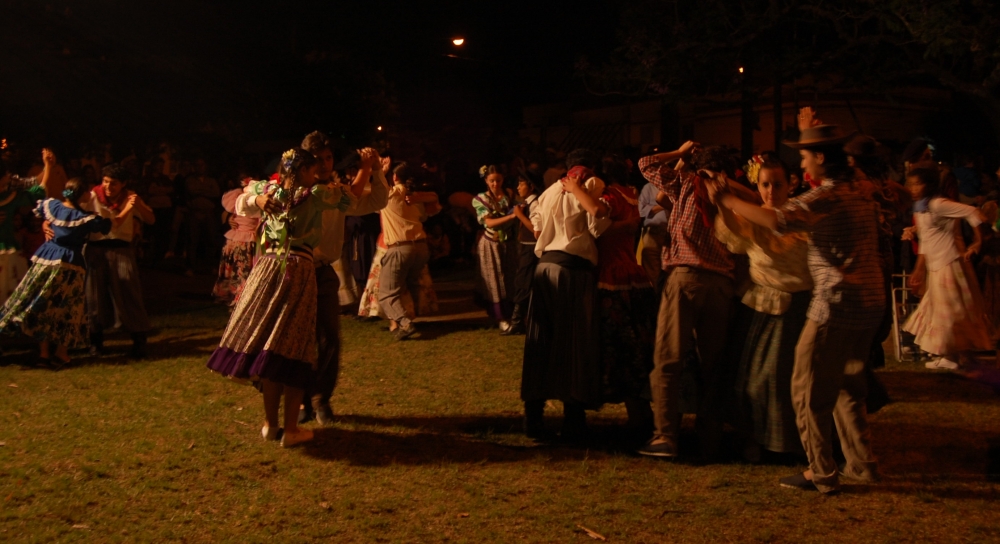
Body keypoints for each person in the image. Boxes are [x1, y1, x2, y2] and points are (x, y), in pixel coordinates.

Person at [707, 110, 885, 494]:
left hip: (834, 304)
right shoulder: (858, 185)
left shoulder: (827, 195)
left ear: (821, 159)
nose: (801, 166)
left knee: (806, 389)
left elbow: (776, 221)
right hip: (870, 302)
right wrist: (811, 128)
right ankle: (861, 463)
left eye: (805, 157)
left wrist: (726, 198)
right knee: (848, 387)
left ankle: (820, 471)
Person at [234, 132, 389, 425]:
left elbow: (375, 200)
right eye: (317, 160)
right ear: (304, 163)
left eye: (328, 158)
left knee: (328, 337)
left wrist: (375, 168)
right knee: (290, 340)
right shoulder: (281, 187)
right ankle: (299, 402)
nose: (324, 165)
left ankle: (320, 399)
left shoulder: (333, 192)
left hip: (320, 271)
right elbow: (240, 200)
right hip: (285, 273)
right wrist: (258, 198)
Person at [207, 148, 353, 447]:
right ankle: (290, 429)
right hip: (297, 269)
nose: (316, 175)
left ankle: (270, 425)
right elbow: (348, 201)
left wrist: (257, 199)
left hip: (267, 268)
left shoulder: (267, 189)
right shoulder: (315, 194)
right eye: (312, 171)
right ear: (301, 172)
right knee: (295, 349)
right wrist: (356, 177)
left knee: (271, 347)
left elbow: (240, 199)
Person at [635, 142, 736, 461]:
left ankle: (665, 436)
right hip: (721, 283)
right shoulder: (733, 193)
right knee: (714, 365)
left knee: (668, 359)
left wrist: (679, 154)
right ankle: (711, 436)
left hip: (685, 278)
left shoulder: (686, 183)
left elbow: (646, 163)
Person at [714, 156, 811, 460]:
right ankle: (756, 439)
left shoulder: (799, 214)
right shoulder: (753, 216)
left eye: (777, 184)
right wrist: (720, 203)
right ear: (758, 185)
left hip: (800, 305)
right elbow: (735, 234)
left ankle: (797, 442)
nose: (771, 191)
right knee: (754, 381)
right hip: (761, 305)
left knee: (792, 381)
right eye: (765, 184)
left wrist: (726, 198)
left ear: (790, 184)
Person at [521, 149, 611, 439]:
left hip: (544, 267)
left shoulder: (549, 191)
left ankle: (533, 416)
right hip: (572, 271)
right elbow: (598, 225)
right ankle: (573, 418)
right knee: (574, 340)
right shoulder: (591, 184)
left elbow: (537, 228)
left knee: (540, 340)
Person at [0, 179, 111, 368]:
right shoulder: (84, 217)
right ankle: (61, 353)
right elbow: (107, 225)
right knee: (66, 308)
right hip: (68, 263)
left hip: (46, 257)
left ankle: (44, 354)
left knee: (43, 303)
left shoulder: (53, 206)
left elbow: (45, 213)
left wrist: (46, 223)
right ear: (81, 195)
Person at [902, 167, 994, 369]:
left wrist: (978, 242)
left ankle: (954, 357)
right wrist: (919, 267)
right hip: (937, 266)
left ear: (930, 185)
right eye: (911, 184)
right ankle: (958, 356)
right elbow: (926, 240)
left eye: (918, 183)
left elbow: (972, 211)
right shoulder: (922, 207)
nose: (914, 188)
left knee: (952, 311)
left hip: (949, 264)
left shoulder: (938, 204)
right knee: (946, 311)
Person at [595, 157, 657, 437]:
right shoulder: (632, 194)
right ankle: (644, 409)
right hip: (635, 272)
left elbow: (599, 226)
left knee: (622, 348)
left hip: (612, 275)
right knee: (640, 346)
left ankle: (636, 412)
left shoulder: (610, 197)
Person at [83, 163, 156, 359]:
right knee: (94, 295)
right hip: (96, 248)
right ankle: (95, 342)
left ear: (123, 184)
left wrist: (138, 205)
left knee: (128, 292)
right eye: (105, 181)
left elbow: (150, 219)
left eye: (113, 183)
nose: (108, 186)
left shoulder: (130, 198)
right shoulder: (91, 196)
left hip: (122, 249)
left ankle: (139, 340)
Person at [377, 162, 436, 340]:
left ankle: (404, 323)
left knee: (386, 293)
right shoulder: (415, 196)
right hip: (421, 247)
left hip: (401, 248)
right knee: (405, 286)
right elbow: (434, 196)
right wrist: (419, 198)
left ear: (395, 178)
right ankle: (409, 317)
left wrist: (379, 171)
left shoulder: (390, 195)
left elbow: (371, 189)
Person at [0, 150, 57, 305]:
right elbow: (39, 191)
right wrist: (48, 167)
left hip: (9, 250)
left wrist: (47, 167)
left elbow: (37, 188)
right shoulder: (11, 197)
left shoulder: (12, 195)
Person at [472, 165, 519, 331]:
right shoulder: (480, 199)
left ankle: (514, 314)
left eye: (498, 180)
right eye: (492, 181)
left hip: (509, 242)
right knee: (494, 279)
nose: (495, 184)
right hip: (490, 243)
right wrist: (513, 216)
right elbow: (489, 222)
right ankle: (501, 317)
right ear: (486, 181)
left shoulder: (511, 195)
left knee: (511, 277)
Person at [212, 181, 259, 306]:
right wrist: (229, 219)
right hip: (239, 241)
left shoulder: (256, 199)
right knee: (237, 269)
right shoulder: (240, 197)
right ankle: (234, 296)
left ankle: (238, 296)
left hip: (244, 240)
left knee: (241, 269)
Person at [505, 174, 540, 335]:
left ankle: (517, 321)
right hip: (526, 246)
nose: (518, 187)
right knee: (522, 281)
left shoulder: (535, 203)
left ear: (531, 186)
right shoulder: (527, 203)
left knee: (524, 282)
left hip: (531, 248)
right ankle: (521, 320)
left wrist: (519, 215)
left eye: (521, 184)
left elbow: (535, 229)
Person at [637, 179, 670, 288]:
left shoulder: (675, 186)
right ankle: (653, 298)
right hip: (654, 232)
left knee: (670, 271)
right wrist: (664, 204)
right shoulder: (649, 187)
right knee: (651, 272)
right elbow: (641, 211)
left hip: (672, 234)